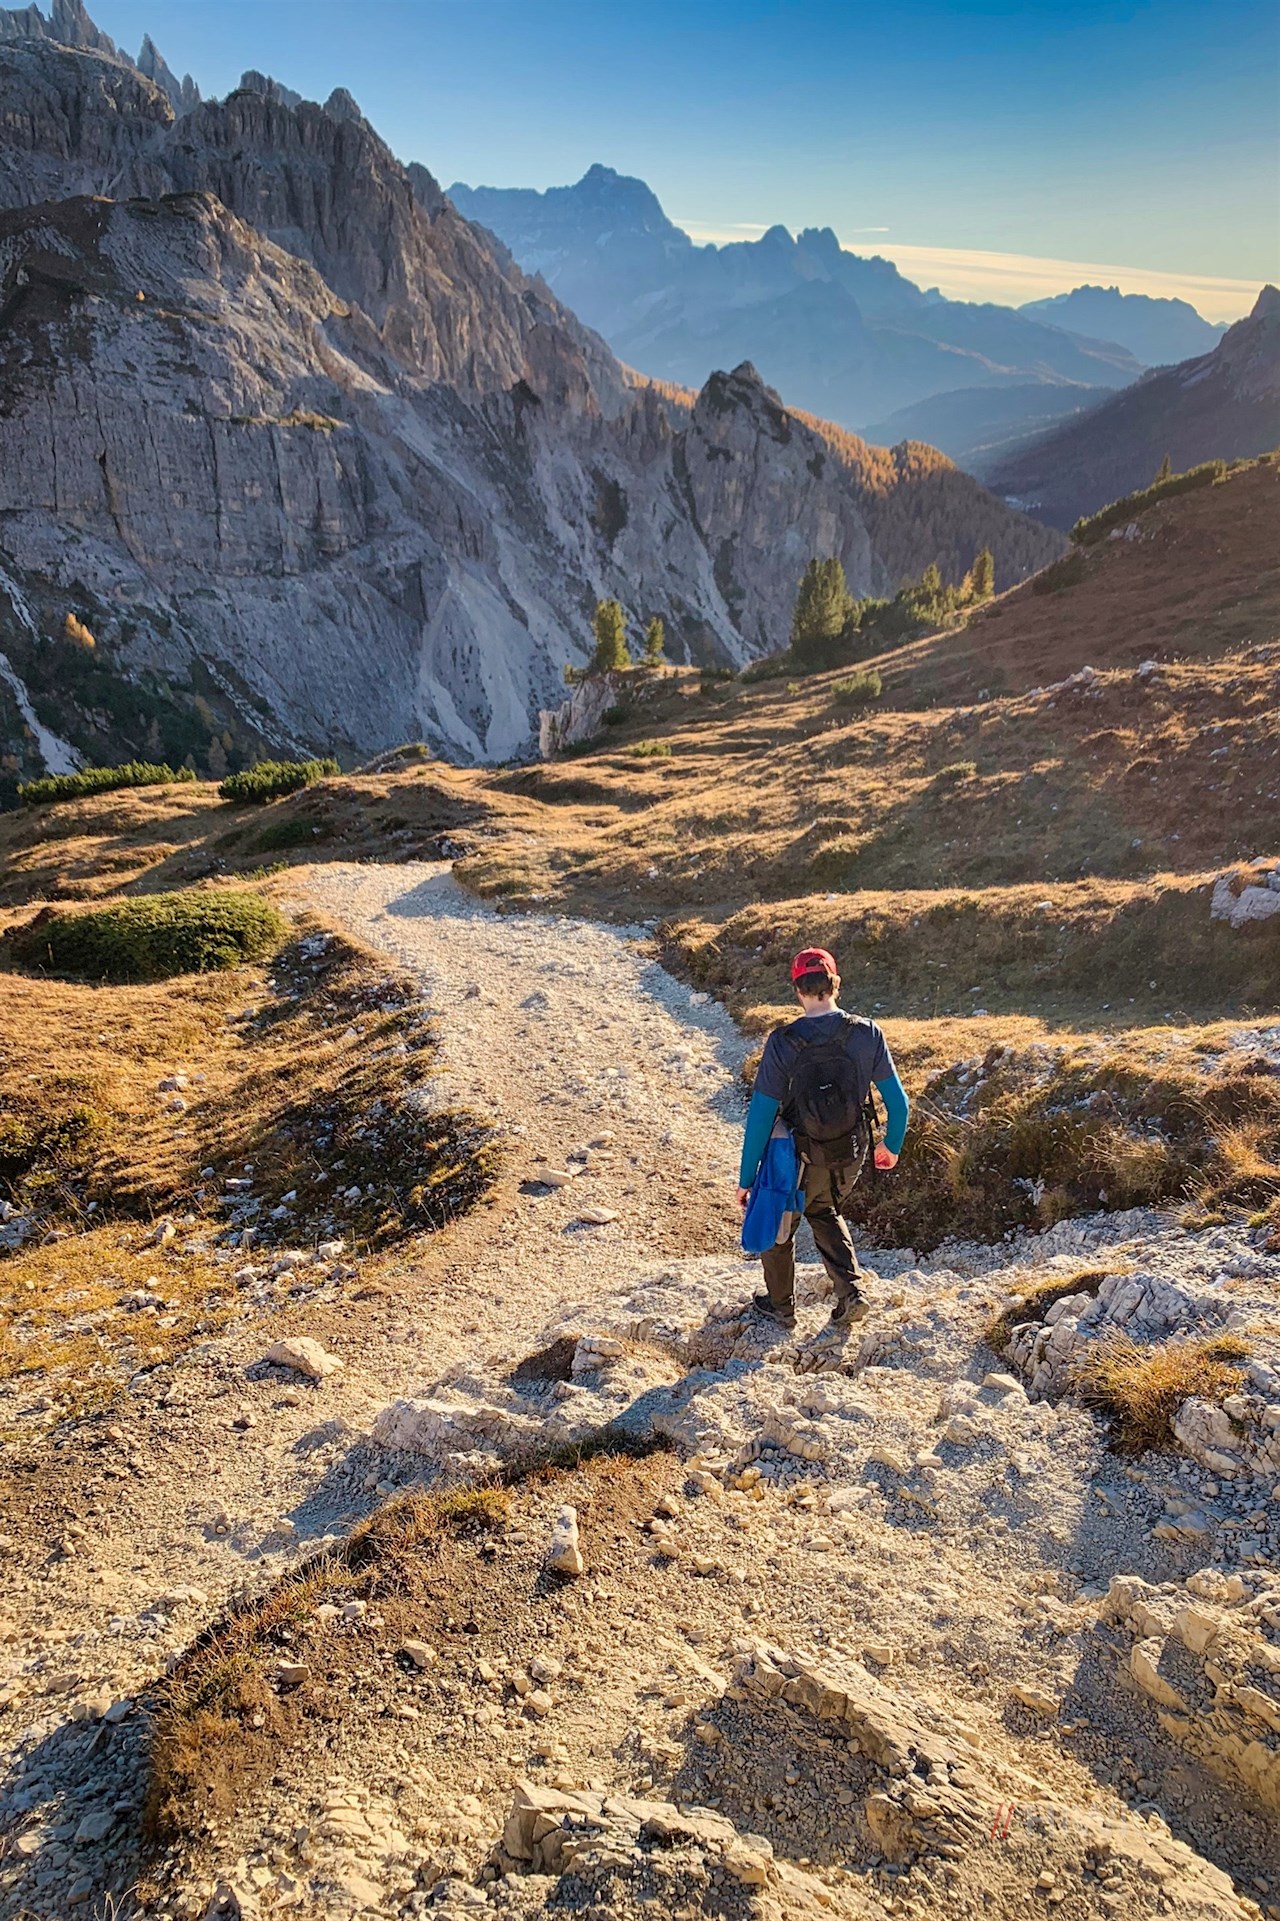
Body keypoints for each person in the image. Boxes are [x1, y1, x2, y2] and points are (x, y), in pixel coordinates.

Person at [736, 946, 909, 1331]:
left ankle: (781, 1307)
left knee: (779, 1217)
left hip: (800, 1155)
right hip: (850, 1150)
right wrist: (891, 1145)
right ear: (836, 984)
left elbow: (761, 1117)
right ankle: (852, 1293)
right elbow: (899, 1104)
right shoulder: (867, 1033)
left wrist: (747, 1179)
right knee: (824, 1209)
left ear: (797, 989)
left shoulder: (783, 1042)